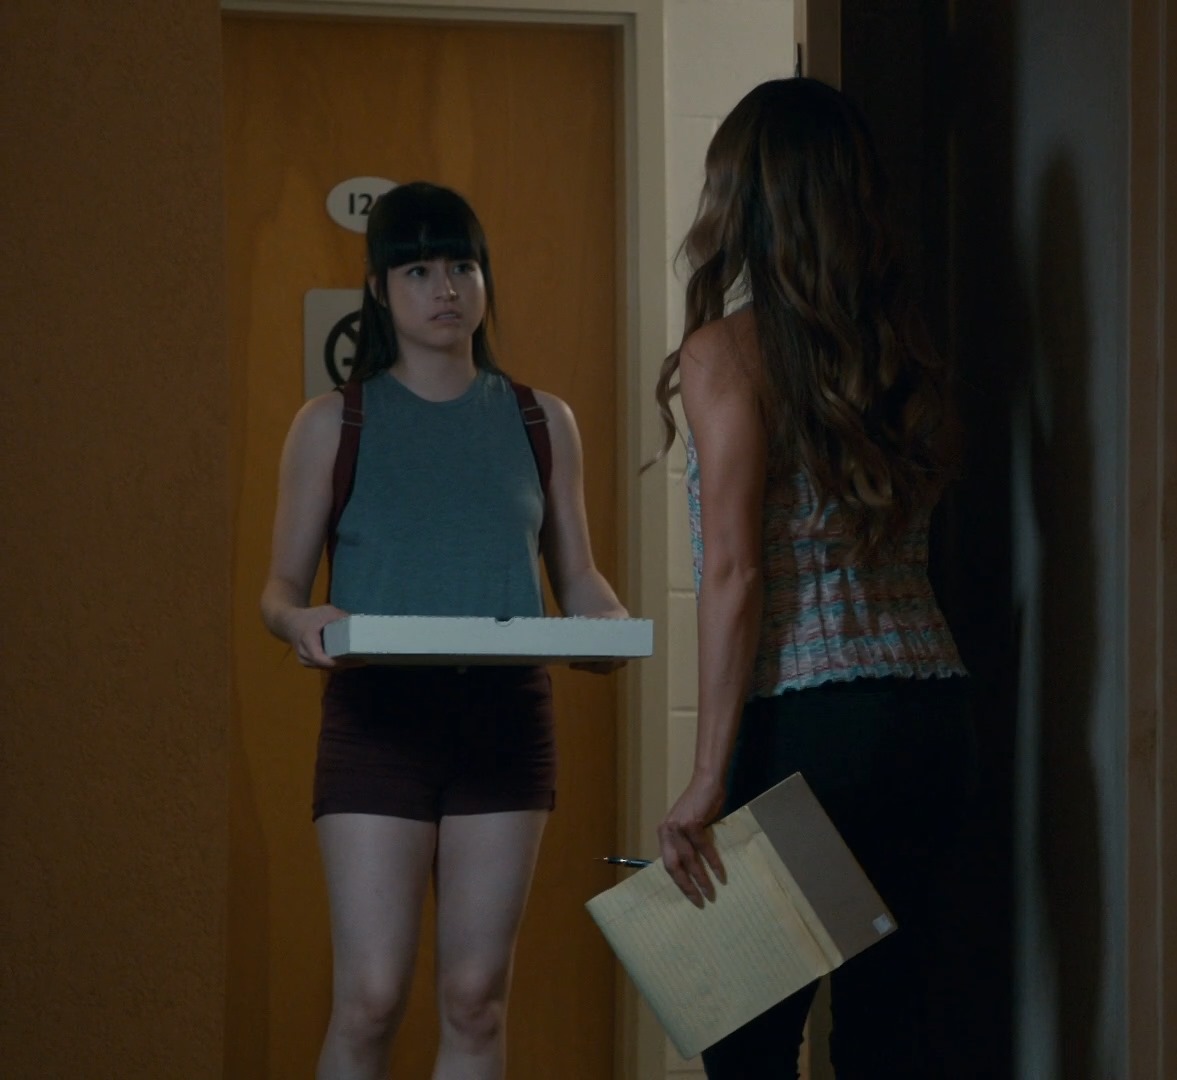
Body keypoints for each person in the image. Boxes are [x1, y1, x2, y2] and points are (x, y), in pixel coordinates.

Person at [260, 181, 628, 1080]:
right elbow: (279, 590)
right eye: (418, 270)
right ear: (379, 290)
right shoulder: (331, 421)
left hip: (503, 719)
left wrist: (611, 626)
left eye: (463, 266)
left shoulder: (542, 420)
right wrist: (299, 620)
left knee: (475, 997)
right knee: (370, 996)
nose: (446, 289)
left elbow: (578, 575)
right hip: (376, 721)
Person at [650, 77, 975, 1079]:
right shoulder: (905, 352)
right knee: (892, 1037)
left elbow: (736, 571)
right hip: (929, 717)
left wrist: (707, 774)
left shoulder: (727, 352)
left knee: (746, 1042)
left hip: (803, 730)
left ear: (742, 200)